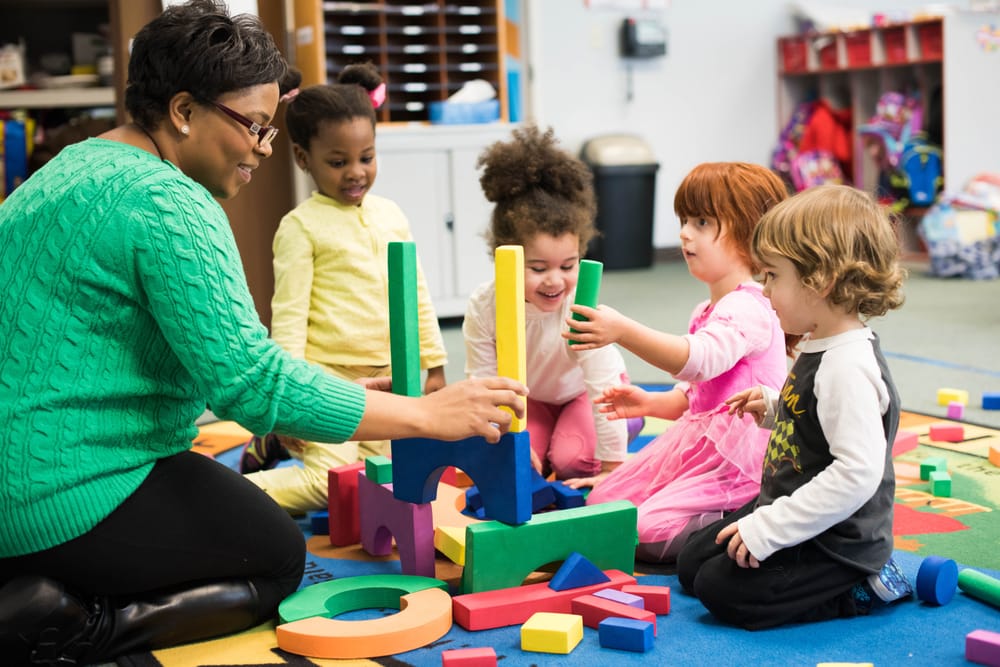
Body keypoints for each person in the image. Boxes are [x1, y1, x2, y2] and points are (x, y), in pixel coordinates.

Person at [0, 2, 525, 664]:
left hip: (14, 478)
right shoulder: (169, 202)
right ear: (183, 111)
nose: (264, 147)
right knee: (275, 556)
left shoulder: (66, 168)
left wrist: (343, 396)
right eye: (253, 126)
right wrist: (424, 414)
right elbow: (250, 383)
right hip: (61, 495)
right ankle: (79, 624)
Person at [676, 184, 911, 630]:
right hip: (791, 503)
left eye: (772, 276)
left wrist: (768, 529)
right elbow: (816, 420)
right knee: (691, 564)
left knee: (720, 590)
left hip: (837, 542)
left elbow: (856, 474)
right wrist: (773, 407)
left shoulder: (847, 366)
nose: (764, 291)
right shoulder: (822, 342)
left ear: (820, 280)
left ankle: (862, 587)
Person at [240, 63, 448, 514]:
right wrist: (289, 400)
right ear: (303, 159)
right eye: (338, 162)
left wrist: (434, 365)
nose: (356, 172)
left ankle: (274, 446)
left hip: (390, 382)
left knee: (397, 477)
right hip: (327, 385)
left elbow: (415, 293)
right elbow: (290, 320)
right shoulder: (300, 227)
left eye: (366, 158)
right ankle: (236, 493)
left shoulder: (391, 215)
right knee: (328, 485)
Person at [567, 162, 793, 564]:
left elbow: (698, 361)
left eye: (702, 222)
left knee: (647, 531)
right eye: (684, 220)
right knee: (603, 501)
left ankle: (750, 511)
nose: (686, 233)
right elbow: (698, 396)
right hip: (702, 448)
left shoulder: (750, 307)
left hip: (740, 463)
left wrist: (623, 330)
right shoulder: (707, 308)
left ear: (749, 232)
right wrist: (651, 403)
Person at [463, 124, 639, 483]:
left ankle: (631, 420)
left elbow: (603, 387)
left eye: (568, 266)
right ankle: (552, 439)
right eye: (539, 268)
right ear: (506, 258)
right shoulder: (484, 306)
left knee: (572, 460)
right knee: (518, 464)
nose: (555, 281)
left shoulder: (579, 307)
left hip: (590, 395)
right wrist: (506, 437)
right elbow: (484, 382)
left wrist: (611, 468)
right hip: (535, 400)